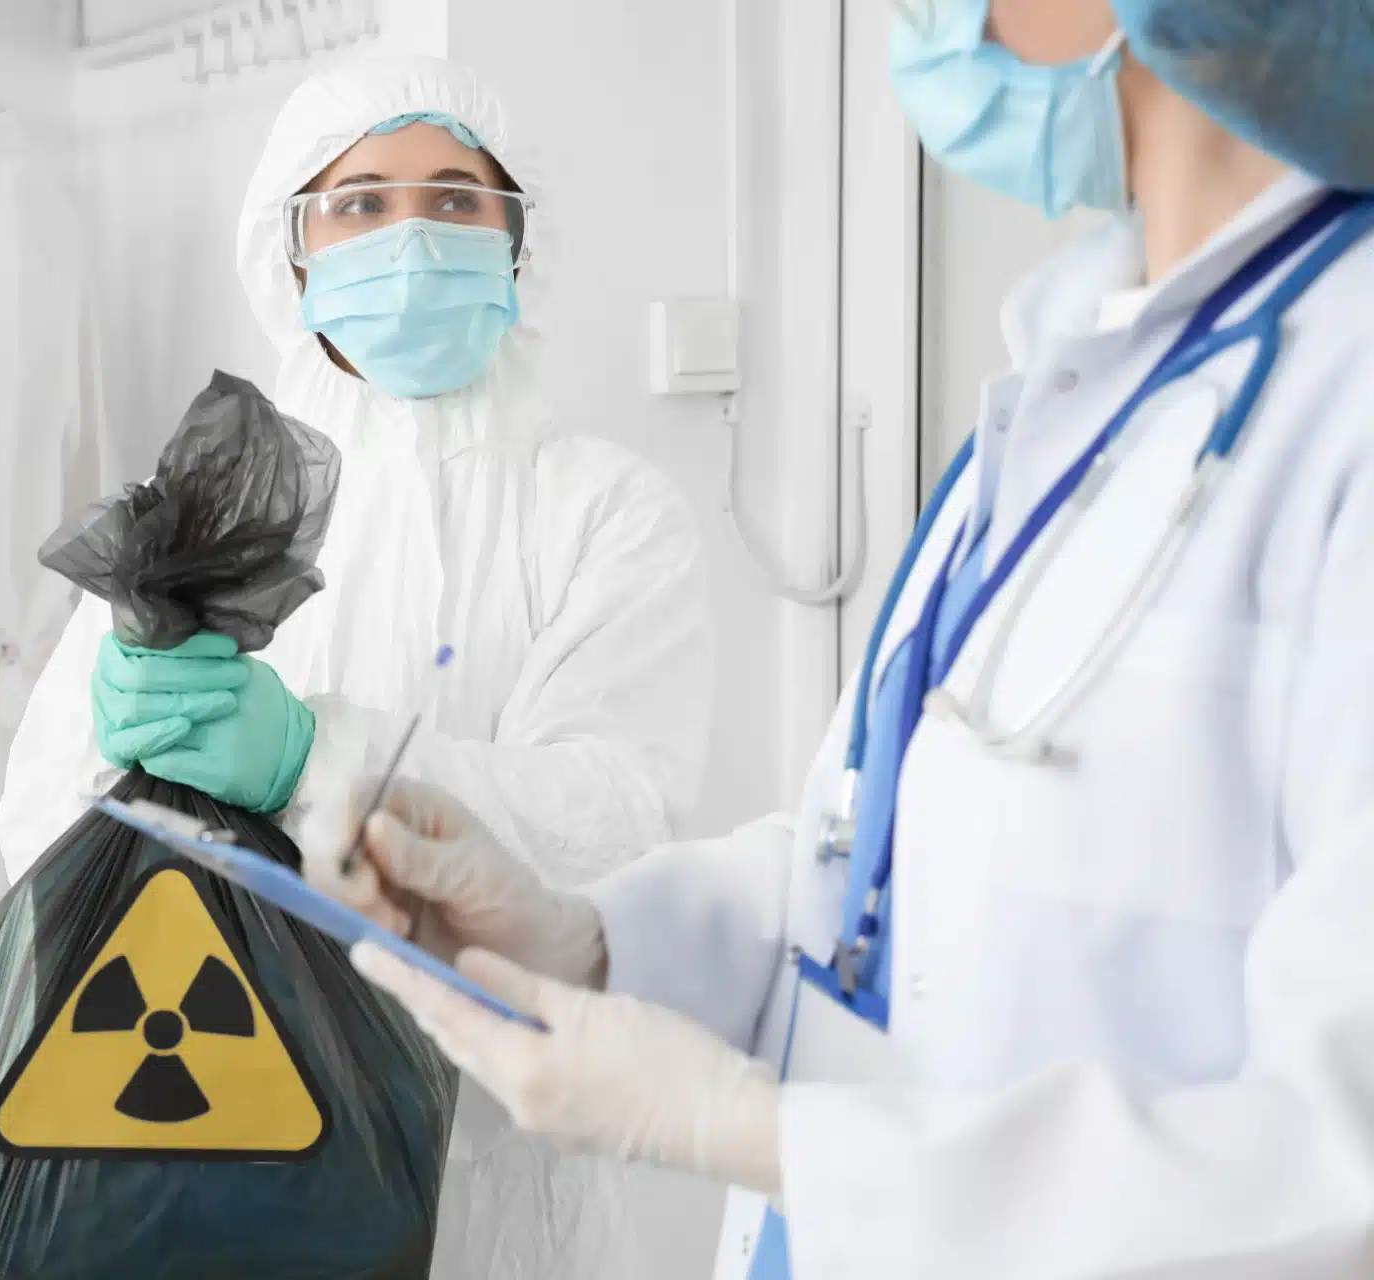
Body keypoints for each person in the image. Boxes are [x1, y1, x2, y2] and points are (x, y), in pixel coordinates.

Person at [306, 4, 1374, 1277]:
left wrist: (768, 1137)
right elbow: (892, 852)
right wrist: (591, 940)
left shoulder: (1342, 398)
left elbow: (1340, 1165)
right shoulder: (1090, 364)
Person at [0, 56, 713, 1279]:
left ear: (518, 239)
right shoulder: (198, 509)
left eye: (456, 200)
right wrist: (105, 753)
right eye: (362, 202)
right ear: (291, 250)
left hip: (500, 1172)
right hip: (208, 1133)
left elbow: (614, 820)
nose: (413, 241)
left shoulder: (606, 512)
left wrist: (310, 759)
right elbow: (39, 840)